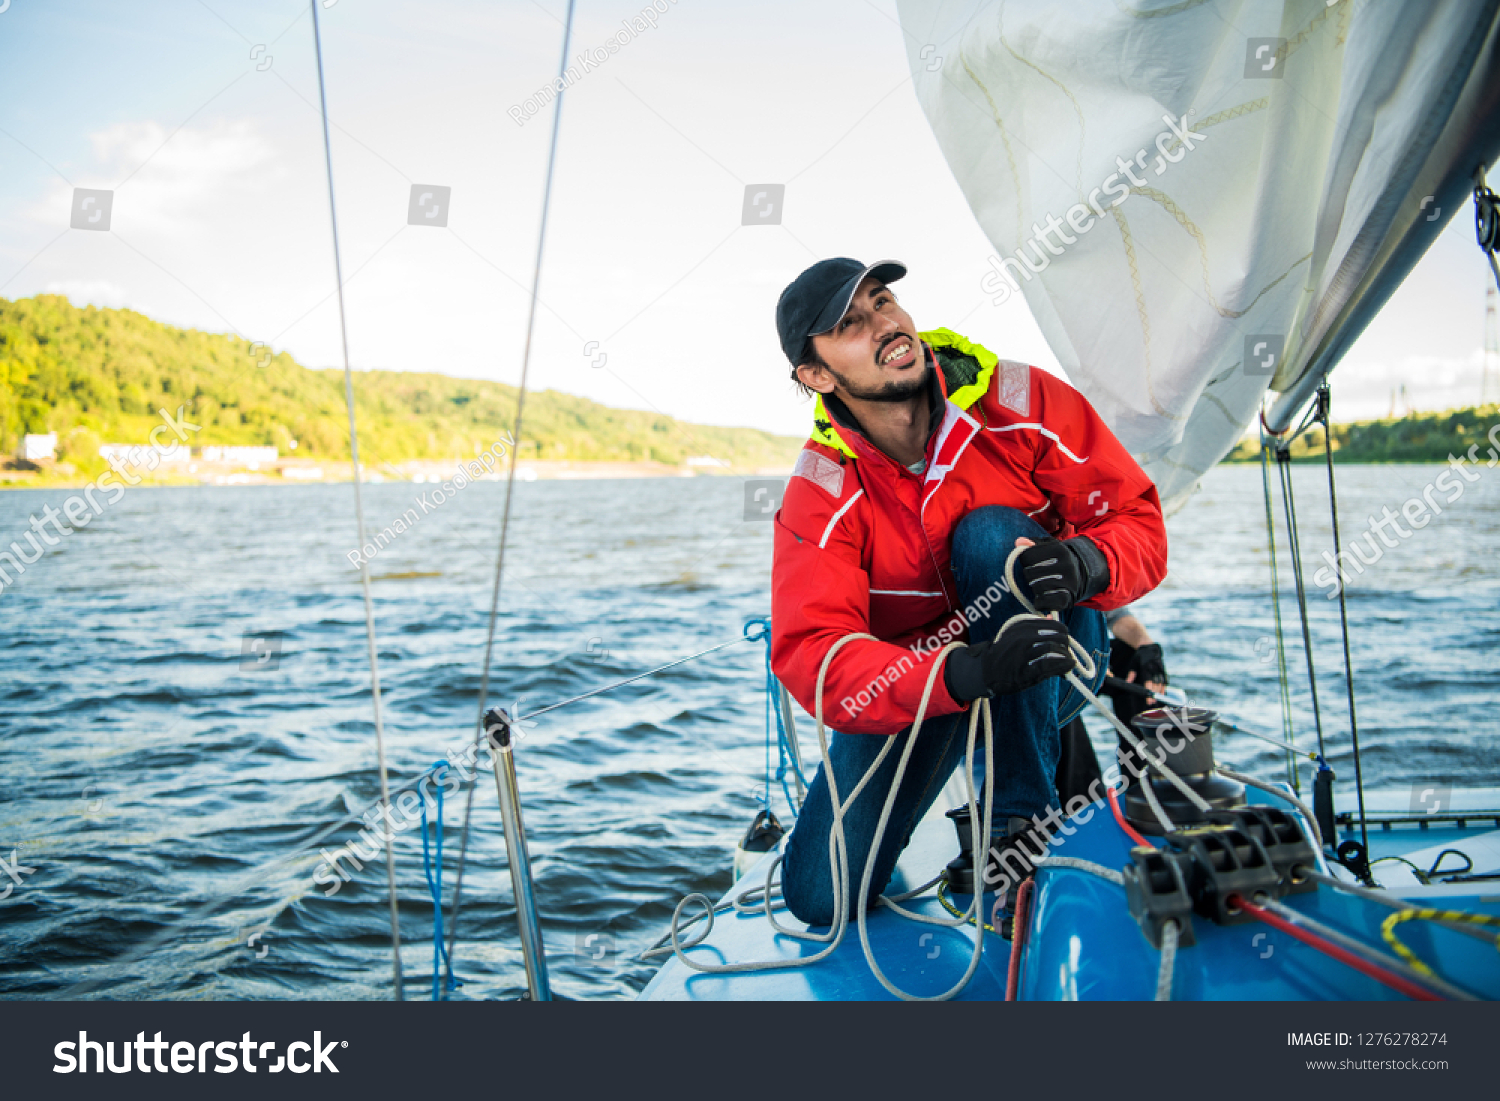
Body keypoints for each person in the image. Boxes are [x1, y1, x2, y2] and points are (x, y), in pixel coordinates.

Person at [768, 257, 1168, 933]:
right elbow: (818, 658)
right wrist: (961, 672)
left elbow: (1139, 521)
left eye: (883, 299)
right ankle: (999, 743)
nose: (884, 322)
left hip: (1058, 654)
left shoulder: (1018, 402)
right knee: (818, 893)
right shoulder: (821, 494)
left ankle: (1019, 831)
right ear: (817, 375)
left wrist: (1087, 560)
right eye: (850, 323)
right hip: (936, 687)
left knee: (987, 535)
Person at [1054, 606, 1170, 805]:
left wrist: (1147, 648)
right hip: (1037, 660)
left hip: (1079, 654)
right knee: (1057, 684)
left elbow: (1115, 614)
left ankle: (1142, 784)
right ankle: (1083, 801)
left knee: (1135, 659)